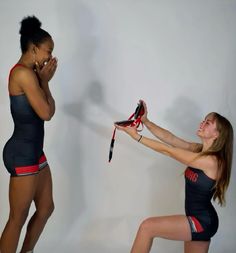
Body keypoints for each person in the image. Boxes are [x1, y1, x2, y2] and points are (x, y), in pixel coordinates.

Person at [115, 100, 233, 253]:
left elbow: (168, 150)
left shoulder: (212, 161)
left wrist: (136, 137)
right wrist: (146, 121)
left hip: (201, 222)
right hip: (198, 219)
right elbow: (170, 139)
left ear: (217, 134)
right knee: (148, 227)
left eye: (208, 123)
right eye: (204, 120)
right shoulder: (198, 149)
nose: (202, 123)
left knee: (147, 227)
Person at [0, 16, 57, 253]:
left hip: (34, 152)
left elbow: (50, 110)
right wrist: (43, 81)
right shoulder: (22, 74)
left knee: (46, 208)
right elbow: (45, 112)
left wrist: (44, 82)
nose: (50, 57)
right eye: (48, 51)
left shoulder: (35, 75)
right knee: (17, 218)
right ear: (34, 48)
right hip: (21, 153)